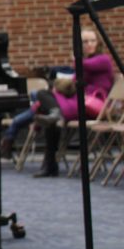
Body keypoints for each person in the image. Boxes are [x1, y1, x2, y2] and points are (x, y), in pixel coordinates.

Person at [30, 28, 115, 178]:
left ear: (98, 43)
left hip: (93, 105)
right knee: (44, 98)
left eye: (92, 41)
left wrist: (75, 58)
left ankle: (49, 164)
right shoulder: (84, 61)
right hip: (79, 101)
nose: (89, 44)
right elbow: (74, 82)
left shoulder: (103, 59)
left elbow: (81, 66)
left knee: (45, 103)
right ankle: (50, 163)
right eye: (84, 42)